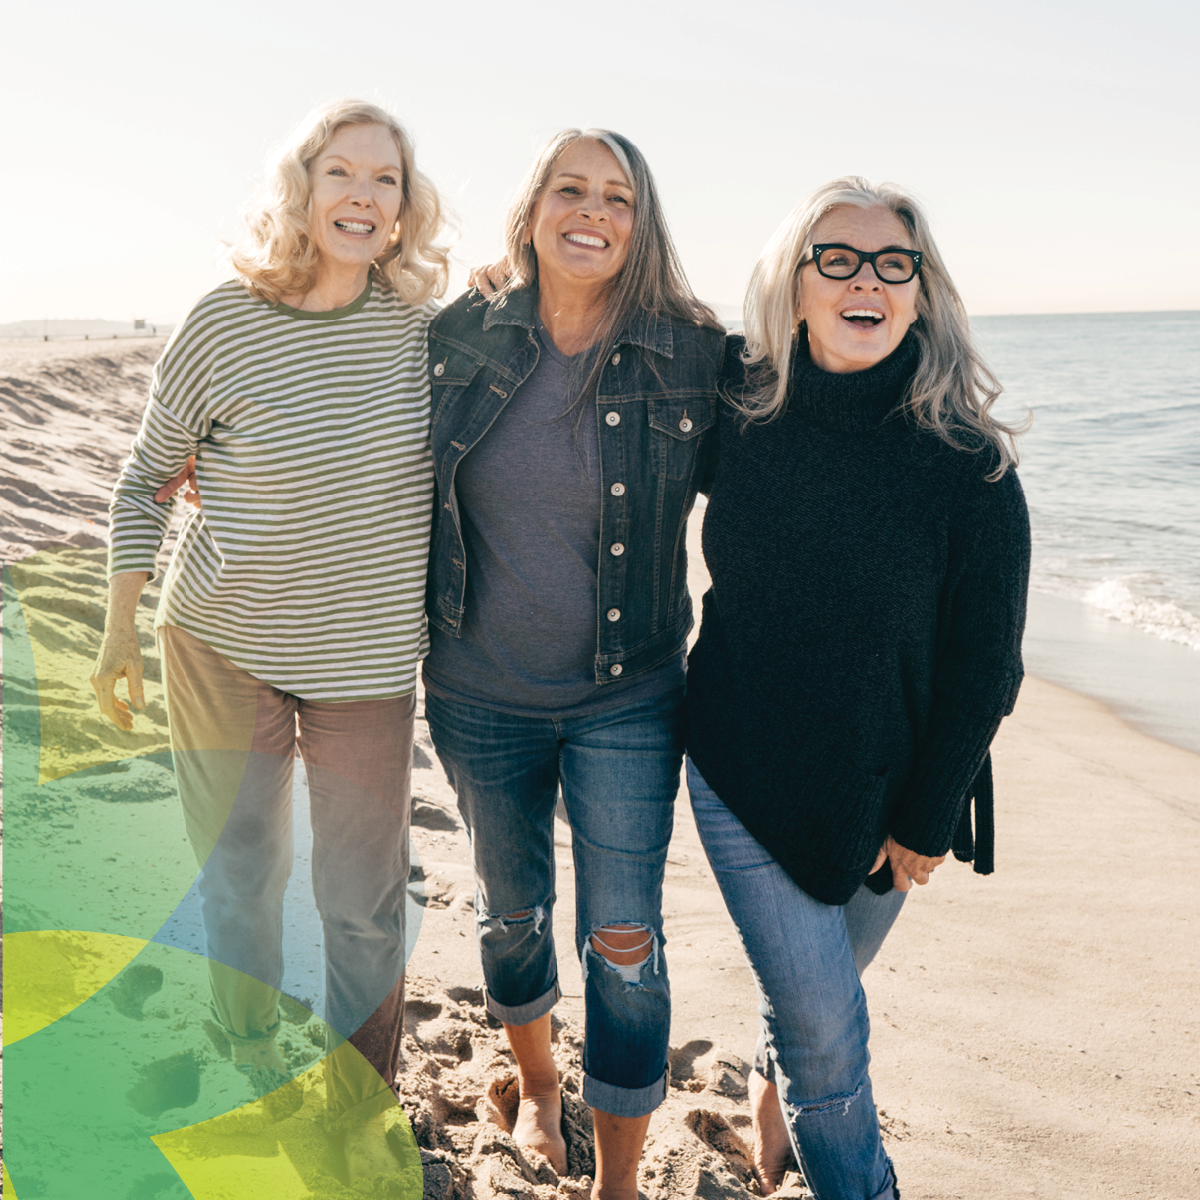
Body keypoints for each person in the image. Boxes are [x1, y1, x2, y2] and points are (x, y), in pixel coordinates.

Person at [90, 99, 448, 1181]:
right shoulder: (222, 321)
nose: (362, 197)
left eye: (385, 180)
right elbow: (147, 478)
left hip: (368, 666)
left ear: (404, 205)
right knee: (242, 871)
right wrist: (118, 631)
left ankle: (357, 1101)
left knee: (363, 903)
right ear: (301, 187)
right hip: (219, 643)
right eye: (341, 173)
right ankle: (245, 1059)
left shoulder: (426, 333)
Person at [685, 178, 1030, 1200]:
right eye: (835, 258)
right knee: (828, 1035)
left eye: (893, 263)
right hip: (738, 763)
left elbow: (986, 667)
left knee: (814, 997)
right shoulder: (735, 415)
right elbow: (623, 347)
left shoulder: (969, 470)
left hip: (892, 793)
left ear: (923, 296)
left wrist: (927, 816)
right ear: (793, 288)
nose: (865, 279)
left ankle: (766, 1092)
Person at [423, 128, 724, 1199]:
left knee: (625, 939)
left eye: (617, 198)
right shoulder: (457, 336)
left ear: (641, 226)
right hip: (475, 693)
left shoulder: (694, 354)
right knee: (510, 915)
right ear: (536, 206)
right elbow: (358, 431)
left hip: (628, 698)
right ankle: (540, 1085)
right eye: (571, 189)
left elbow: (792, 478)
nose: (592, 212)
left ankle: (620, 1186)